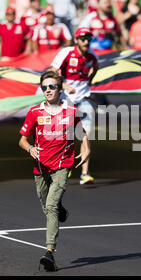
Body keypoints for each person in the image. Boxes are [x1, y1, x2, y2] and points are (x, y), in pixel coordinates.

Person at [19, 70, 90, 271]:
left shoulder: (70, 111)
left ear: (60, 89)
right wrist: (30, 148)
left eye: (52, 86)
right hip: (40, 166)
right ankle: (61, 210)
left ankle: (49, 252)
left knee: (50, 206)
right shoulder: (35, 112)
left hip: (62, 165)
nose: (48, 90)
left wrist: (87, 148)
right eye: (44, 87)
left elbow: (81, 133)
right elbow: (22, 140)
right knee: (47, 206)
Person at [50, 27, 98, 185]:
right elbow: (52, 72)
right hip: (66, 98)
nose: (86, 41)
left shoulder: (92, 57)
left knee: (86, 134)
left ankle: (85, 173)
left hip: (84, 98)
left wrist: (89, 82)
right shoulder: (67, 53)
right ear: (76, 40)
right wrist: (64, 85)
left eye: (89, 39)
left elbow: (95, 68)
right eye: (83, 38)